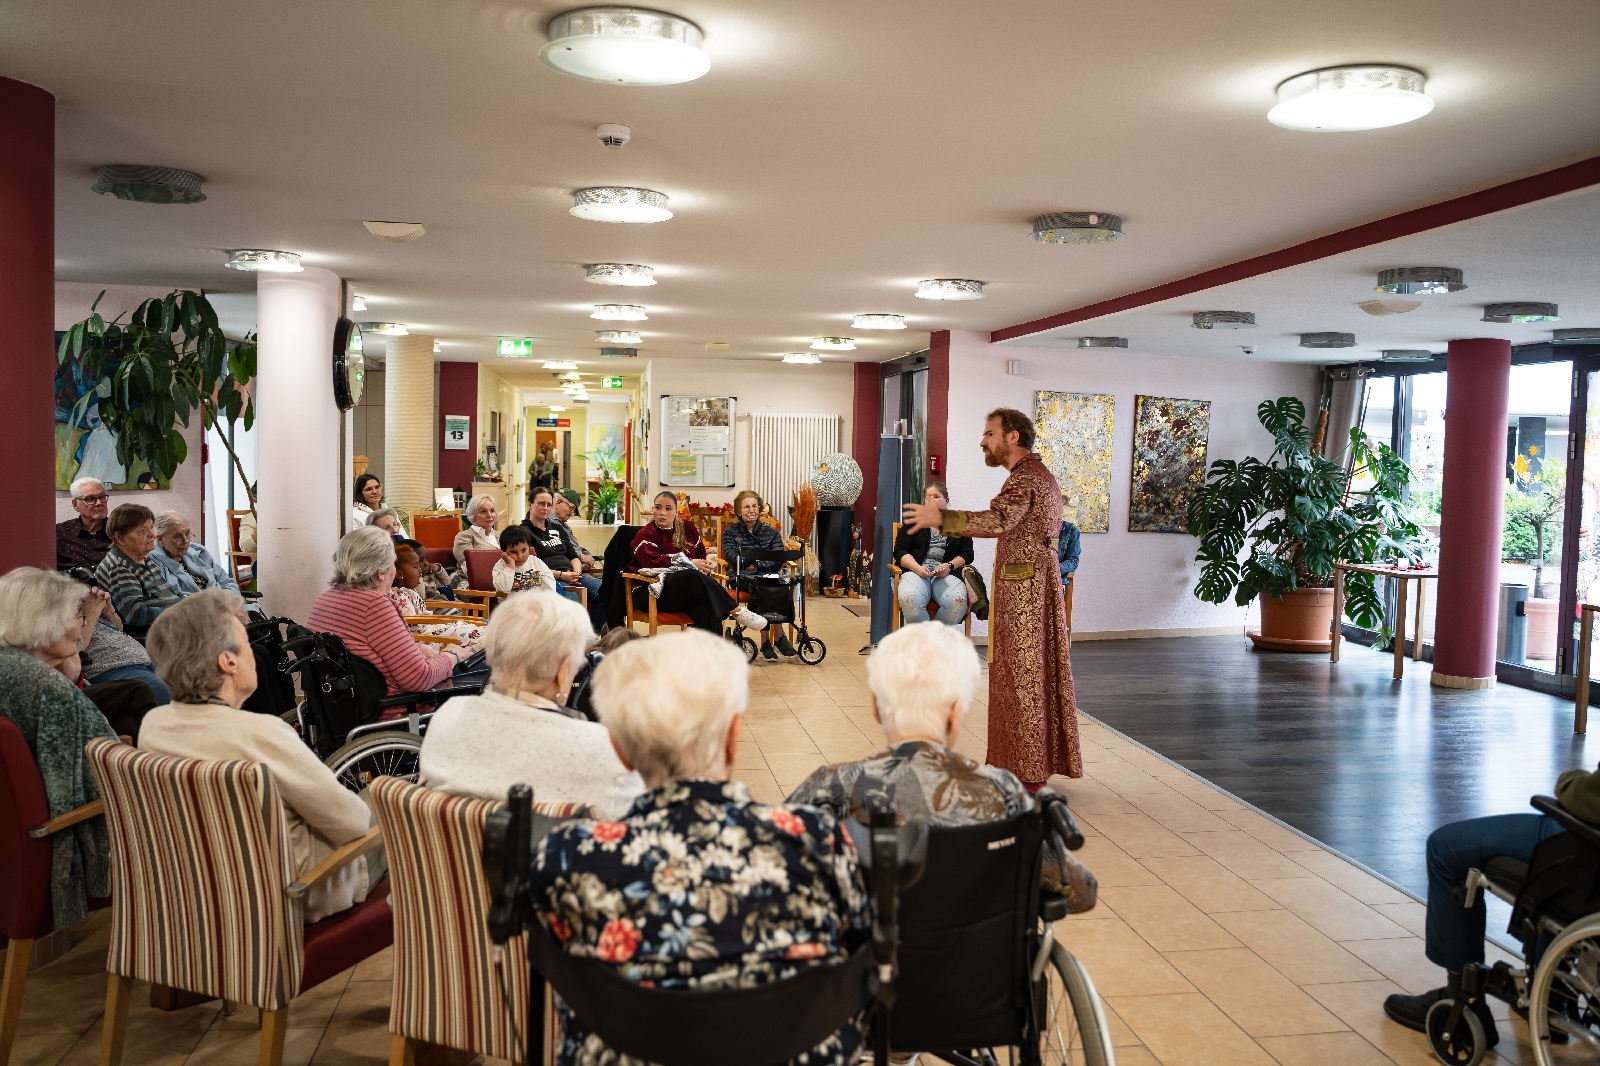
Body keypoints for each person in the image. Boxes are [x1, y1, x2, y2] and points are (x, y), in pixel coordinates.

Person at [527, 630, 869, 1066]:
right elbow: (859, 946)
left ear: (619, 748)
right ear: (733, 735)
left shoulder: (569, 855)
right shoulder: (814, 838)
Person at [790, 621, 1097, 910]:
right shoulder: (1000, 791)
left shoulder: (830, 787)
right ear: (956, 714)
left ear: (875, 707)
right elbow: (1080, 892)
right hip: (982, 962)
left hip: (865, 963)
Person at [140, 590, 385, 923]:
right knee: (386, 803)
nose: (254, 655)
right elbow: (351, 823)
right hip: (294, 893)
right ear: (228, 662)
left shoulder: (153, 726)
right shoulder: (261, 734)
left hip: (201, 893)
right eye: (246, 644)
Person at [902, 407, 1081, 788]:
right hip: (1035, 585)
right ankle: (1024, 765)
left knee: (1021, 678)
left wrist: (942, 519)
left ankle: (1026, 772)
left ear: (1012, 436)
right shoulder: (1034, 474)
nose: (983, 441)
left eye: (989, 433)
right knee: (1029, 676)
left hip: (1026, 594)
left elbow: (999, 520)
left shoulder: (1025, 477)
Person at [1381, 765, 1600, 1048]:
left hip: (1587, 847)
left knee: (1444, 848)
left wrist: (1569, 780)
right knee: (1563, 888)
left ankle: (1461, 998)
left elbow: (1589, 799)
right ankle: (1550, 994)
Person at [421, 591, 643, 816]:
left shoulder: (446, 716)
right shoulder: (598, 748)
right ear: (564, 671)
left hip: (447, 849)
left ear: (490, 658)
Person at [0, 568, 116, 930]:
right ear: (44, 621)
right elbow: (105, 779)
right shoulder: (48, 691)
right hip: (59, 835)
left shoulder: (13, 667)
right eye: (77, 615)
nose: (84, 625)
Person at [307, 526, 474, 695]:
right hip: (395, 708)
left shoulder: (325, 599)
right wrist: (453, 654)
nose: (394, 571)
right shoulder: (375, 605)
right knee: (477, 666)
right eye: (393, 563)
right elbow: (419, 679)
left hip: (344, 704)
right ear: (381, 572)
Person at [630, 491, 766, 635]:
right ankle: (736, 610)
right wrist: (689, 563)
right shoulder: (646, 534)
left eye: (668, 508)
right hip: (650, 592)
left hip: (683, 593)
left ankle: (714, 655)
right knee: (689, 574)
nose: (662, 513)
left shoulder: (688, 529)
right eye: (658, 508)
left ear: (676, 511)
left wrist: (703, 568)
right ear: (653, 509)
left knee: (708, 610)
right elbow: (651, 564)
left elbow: (701, 556)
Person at [722, 489, 798, 660]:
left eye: (755, 506)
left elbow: (777, 559)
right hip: (740, 577)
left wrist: (755, 563)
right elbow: (732, 558)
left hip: (767, 575)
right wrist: (758, 562)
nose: (751, 510)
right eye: (746, 507)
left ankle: (772, 640)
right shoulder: (731, 532)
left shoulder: (770, 532)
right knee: (764, 586)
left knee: (779, 584)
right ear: (739, 511)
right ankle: (774, 639)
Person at [94, 503, 184, 637]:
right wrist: (180, 612)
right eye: (142, 531)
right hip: (158, 637)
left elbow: (171, 596)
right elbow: (136, 614)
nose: (152, 535)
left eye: (151, 527)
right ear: (120, 538)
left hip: (175, 627)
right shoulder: (119, 566)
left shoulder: (143, 559)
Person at [893, 481, 973, 627]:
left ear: (946, 500)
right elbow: (899, 550)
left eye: (936, 496)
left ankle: (930, 641)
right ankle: (931, 643)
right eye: (927, 497)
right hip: (915, 571)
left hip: (946, 573)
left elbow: (967, 553)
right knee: (910, 598)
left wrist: (949, 566)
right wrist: (917, 568)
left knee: (958, 601)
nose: (930, 500)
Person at [523, 487, 604, 629]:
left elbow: (573, 556)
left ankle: (589, 637)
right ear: (530, 505)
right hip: (549, 578)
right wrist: (563, 575)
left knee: (609, 593)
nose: (545, 508)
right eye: (541, 503)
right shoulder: (524, 532)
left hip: (572, 575)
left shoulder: (557, 527)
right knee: (571, 603)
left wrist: (576, 574)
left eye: (549, 504)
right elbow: (530, 567)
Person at [389, 541, 484, 652]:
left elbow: (446, 583)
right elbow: (413, 624)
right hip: (424, 636)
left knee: (474, 628)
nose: (420, 569)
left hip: (432, 625)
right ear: (400, 574)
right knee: (471, 632)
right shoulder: (399, 596)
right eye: (416, 566)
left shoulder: (410, 591)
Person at [150, 509, 243, 597]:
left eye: (187, 533)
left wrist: (227, 604)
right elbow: (174, 603)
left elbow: (227, 582)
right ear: (160, 539)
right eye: (177, 536)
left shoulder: (199, 552)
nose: (185, 541)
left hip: (226, 606)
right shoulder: (153, 566)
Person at [56, 475, 114, 571]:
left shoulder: (119, 531)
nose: (99, 503)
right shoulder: (60, 533)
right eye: (90, 499)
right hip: (72, 585)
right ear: (75, 505)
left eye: (102, 497)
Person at [493, 525, 558, 595]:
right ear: (504, 552)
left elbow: (550, 587)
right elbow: (503, 590)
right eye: (513, 552)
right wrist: (510, 565)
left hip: (536, 603)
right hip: (511, 605)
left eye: (523, 550)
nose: (520, 556)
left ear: (529, 547)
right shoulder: (500, 566)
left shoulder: (536, 562)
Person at [453, 493, 502, 567]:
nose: (489, 515)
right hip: (473, 577)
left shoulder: (501, 536)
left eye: (492, 511)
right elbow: (470, 567)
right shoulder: (464, 537)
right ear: (473, 515)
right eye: (483, 511)